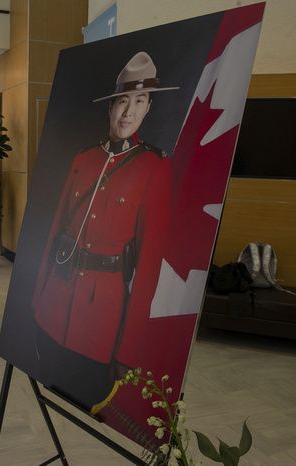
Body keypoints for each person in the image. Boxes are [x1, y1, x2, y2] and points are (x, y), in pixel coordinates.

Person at [31, 51, 176, 413]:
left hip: (101, 320)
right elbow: (53, 234)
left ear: (148, 109)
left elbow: (148, 267)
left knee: (83, 400)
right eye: (123, 101)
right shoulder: (84, 159)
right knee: (50, 388)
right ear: (110, 106)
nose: (129, 112)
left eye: (139, 101)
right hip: (55, 303)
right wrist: (39, 297)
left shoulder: (154, 169)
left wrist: (128, 350)